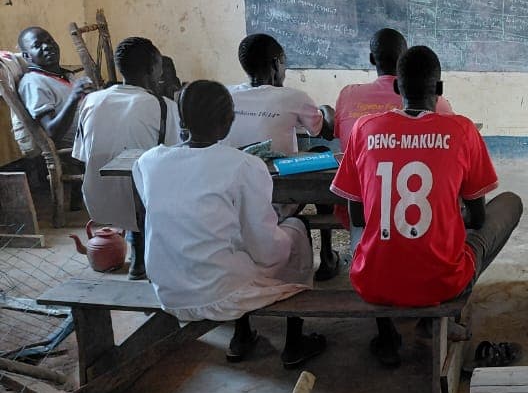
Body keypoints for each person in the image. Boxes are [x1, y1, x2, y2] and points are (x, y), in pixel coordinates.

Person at [330, 46, 522, 368]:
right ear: (440, 88)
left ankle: (391, 328)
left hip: (372, 281)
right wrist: (449, 215)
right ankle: (436, 319)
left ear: (397, 87)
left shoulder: (364, 129)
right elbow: (478, 218)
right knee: (510, 203)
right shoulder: (462, 130)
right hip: (442, 284)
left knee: (375, 238)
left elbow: (357, 216)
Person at [133, 80, 326, 368]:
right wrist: (284, 229)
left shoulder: (148, 162)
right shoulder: (243, 165)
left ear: (182, 119)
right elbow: (266, 249)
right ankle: (295, 340)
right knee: (296, 229)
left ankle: (243, 334)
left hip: (169, 289)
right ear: (228, 121)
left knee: (231, 237)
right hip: (220, 292)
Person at [223, 33, 341, 279]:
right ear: (276, 64)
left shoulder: (226, 96)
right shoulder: (293, 97)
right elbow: (326, 132)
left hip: (233, 201)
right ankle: (327, 254)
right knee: (321, 153)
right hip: (279, 197)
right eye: (285, 63)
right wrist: (326, 109)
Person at [72, 37, 180, 280]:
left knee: (135, 172)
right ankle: (146, 253)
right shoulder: (163, 106)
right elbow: (172, 159)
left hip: (97, 199)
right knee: (167, 171)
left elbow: (80, 155)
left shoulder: (91, 101)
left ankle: (135, 247)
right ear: (153, 68)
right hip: (143, 203)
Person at [334, 28, 454, 145]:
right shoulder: (433, 101)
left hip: (357, 158)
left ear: (372, 59)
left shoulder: (347, 95)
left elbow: (336, 133)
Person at [15, 27, 96, 148]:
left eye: (50, 41)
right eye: (37, 45)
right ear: (27, 56)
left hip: (98, 133)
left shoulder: (63, 75)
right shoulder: (33, 82)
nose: (47, 46)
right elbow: (52, 133)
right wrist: (73, 98)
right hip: (83, 146)